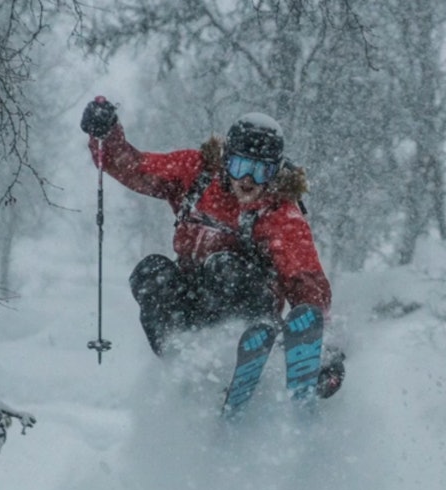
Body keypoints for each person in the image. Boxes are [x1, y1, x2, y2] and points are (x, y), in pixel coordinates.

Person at [79, 96, 343, 397]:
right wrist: (107, 135)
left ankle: (249, 353)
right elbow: (137, 168)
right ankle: (184, 361)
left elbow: (304, 276)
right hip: (192, 301)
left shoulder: (279, 211)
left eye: (260, 172)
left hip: (249, 301)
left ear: (275, 173)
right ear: (225, 160)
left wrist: (320, 343)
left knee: (223, 265)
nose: (247, 179)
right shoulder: (197, 174)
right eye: (240, 165)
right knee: (151, 271)